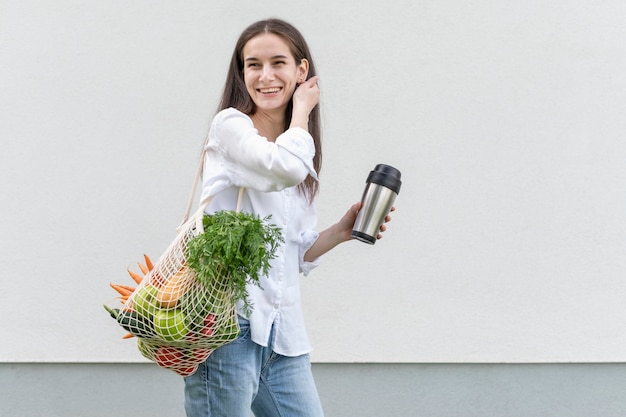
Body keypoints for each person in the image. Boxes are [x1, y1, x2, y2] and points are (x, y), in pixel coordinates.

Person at [184, 18, 394, 417]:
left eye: (278, 63)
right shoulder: (231, 127)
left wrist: (340, 232)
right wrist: (301, 110)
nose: (265, 76)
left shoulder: (298, 152)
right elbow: (285, 167)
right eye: (253, 65)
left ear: (301, 70)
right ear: (241, 72)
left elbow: (290, 254)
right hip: (229, 325)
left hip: (282, 333)